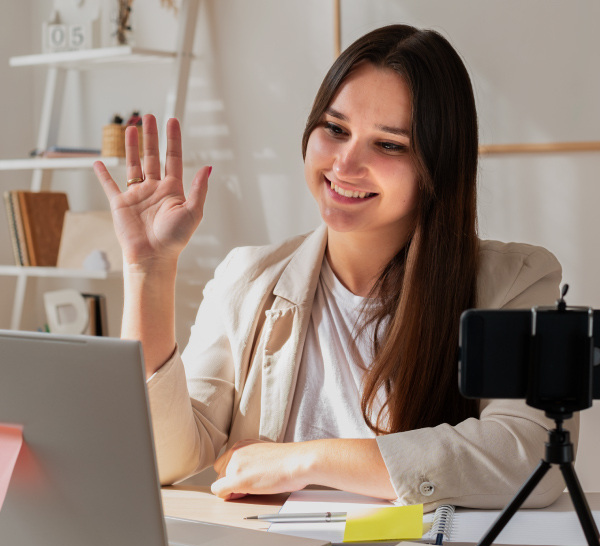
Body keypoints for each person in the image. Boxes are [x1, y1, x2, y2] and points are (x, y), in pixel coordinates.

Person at [94, 24, 574, 511]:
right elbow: (161, 458)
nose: (345, 164)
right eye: (336, 129)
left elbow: (532, 455)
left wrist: (305, 461)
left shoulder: (516, 282)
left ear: (438, 167)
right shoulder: (248, 277)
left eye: (388, 144)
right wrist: (148, 269)